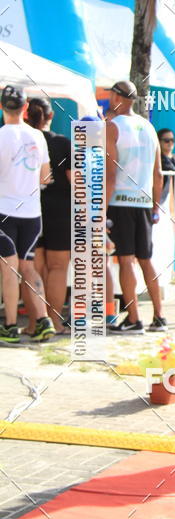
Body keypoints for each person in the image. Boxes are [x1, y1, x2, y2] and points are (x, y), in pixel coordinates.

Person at [105, 80, 166, 333]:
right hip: (142, 202)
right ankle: (159, 316)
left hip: (120, 201)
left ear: (117, 97)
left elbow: (109, 175)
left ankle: (133, 318)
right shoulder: (149, 127)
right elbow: (159, 173)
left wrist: (101, 209)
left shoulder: (112, 126)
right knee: (146, 260)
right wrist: (153, 207)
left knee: (126, 260)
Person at [0, 85, 55, 343]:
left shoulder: (1, 136)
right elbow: (46, 176)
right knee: (28, 267)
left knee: (9, 269)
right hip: (33, 213)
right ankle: (44, 320)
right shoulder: (38, 136)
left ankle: (10, 327)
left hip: (5, 211)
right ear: (24, 108)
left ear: (1, 107)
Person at [25, 96, 72, 334]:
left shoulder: (23, 140)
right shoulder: (63, 143)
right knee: (58, 268)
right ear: (51, 116)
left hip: (30, 209)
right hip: (61, 211)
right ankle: (55, 322)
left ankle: (35, 323)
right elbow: (75, 180)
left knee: (33, 267)